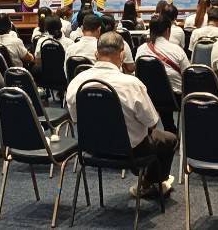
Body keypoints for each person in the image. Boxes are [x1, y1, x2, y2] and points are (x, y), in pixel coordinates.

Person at [66, 32, 177, 198]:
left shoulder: (77, 81)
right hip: (131, 152)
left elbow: (76, 120)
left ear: (96, 54)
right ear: (123, 54)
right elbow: (152, 122)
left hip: (92, 149)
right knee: (169, 139)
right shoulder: (132, 84)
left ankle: (149, 183)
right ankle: (149, 183)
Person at [135, 14, 190, 101]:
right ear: (168, 30)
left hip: (148, 98)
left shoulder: (141, 49)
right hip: (175, 99)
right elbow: (188, 74)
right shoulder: (177, 50)